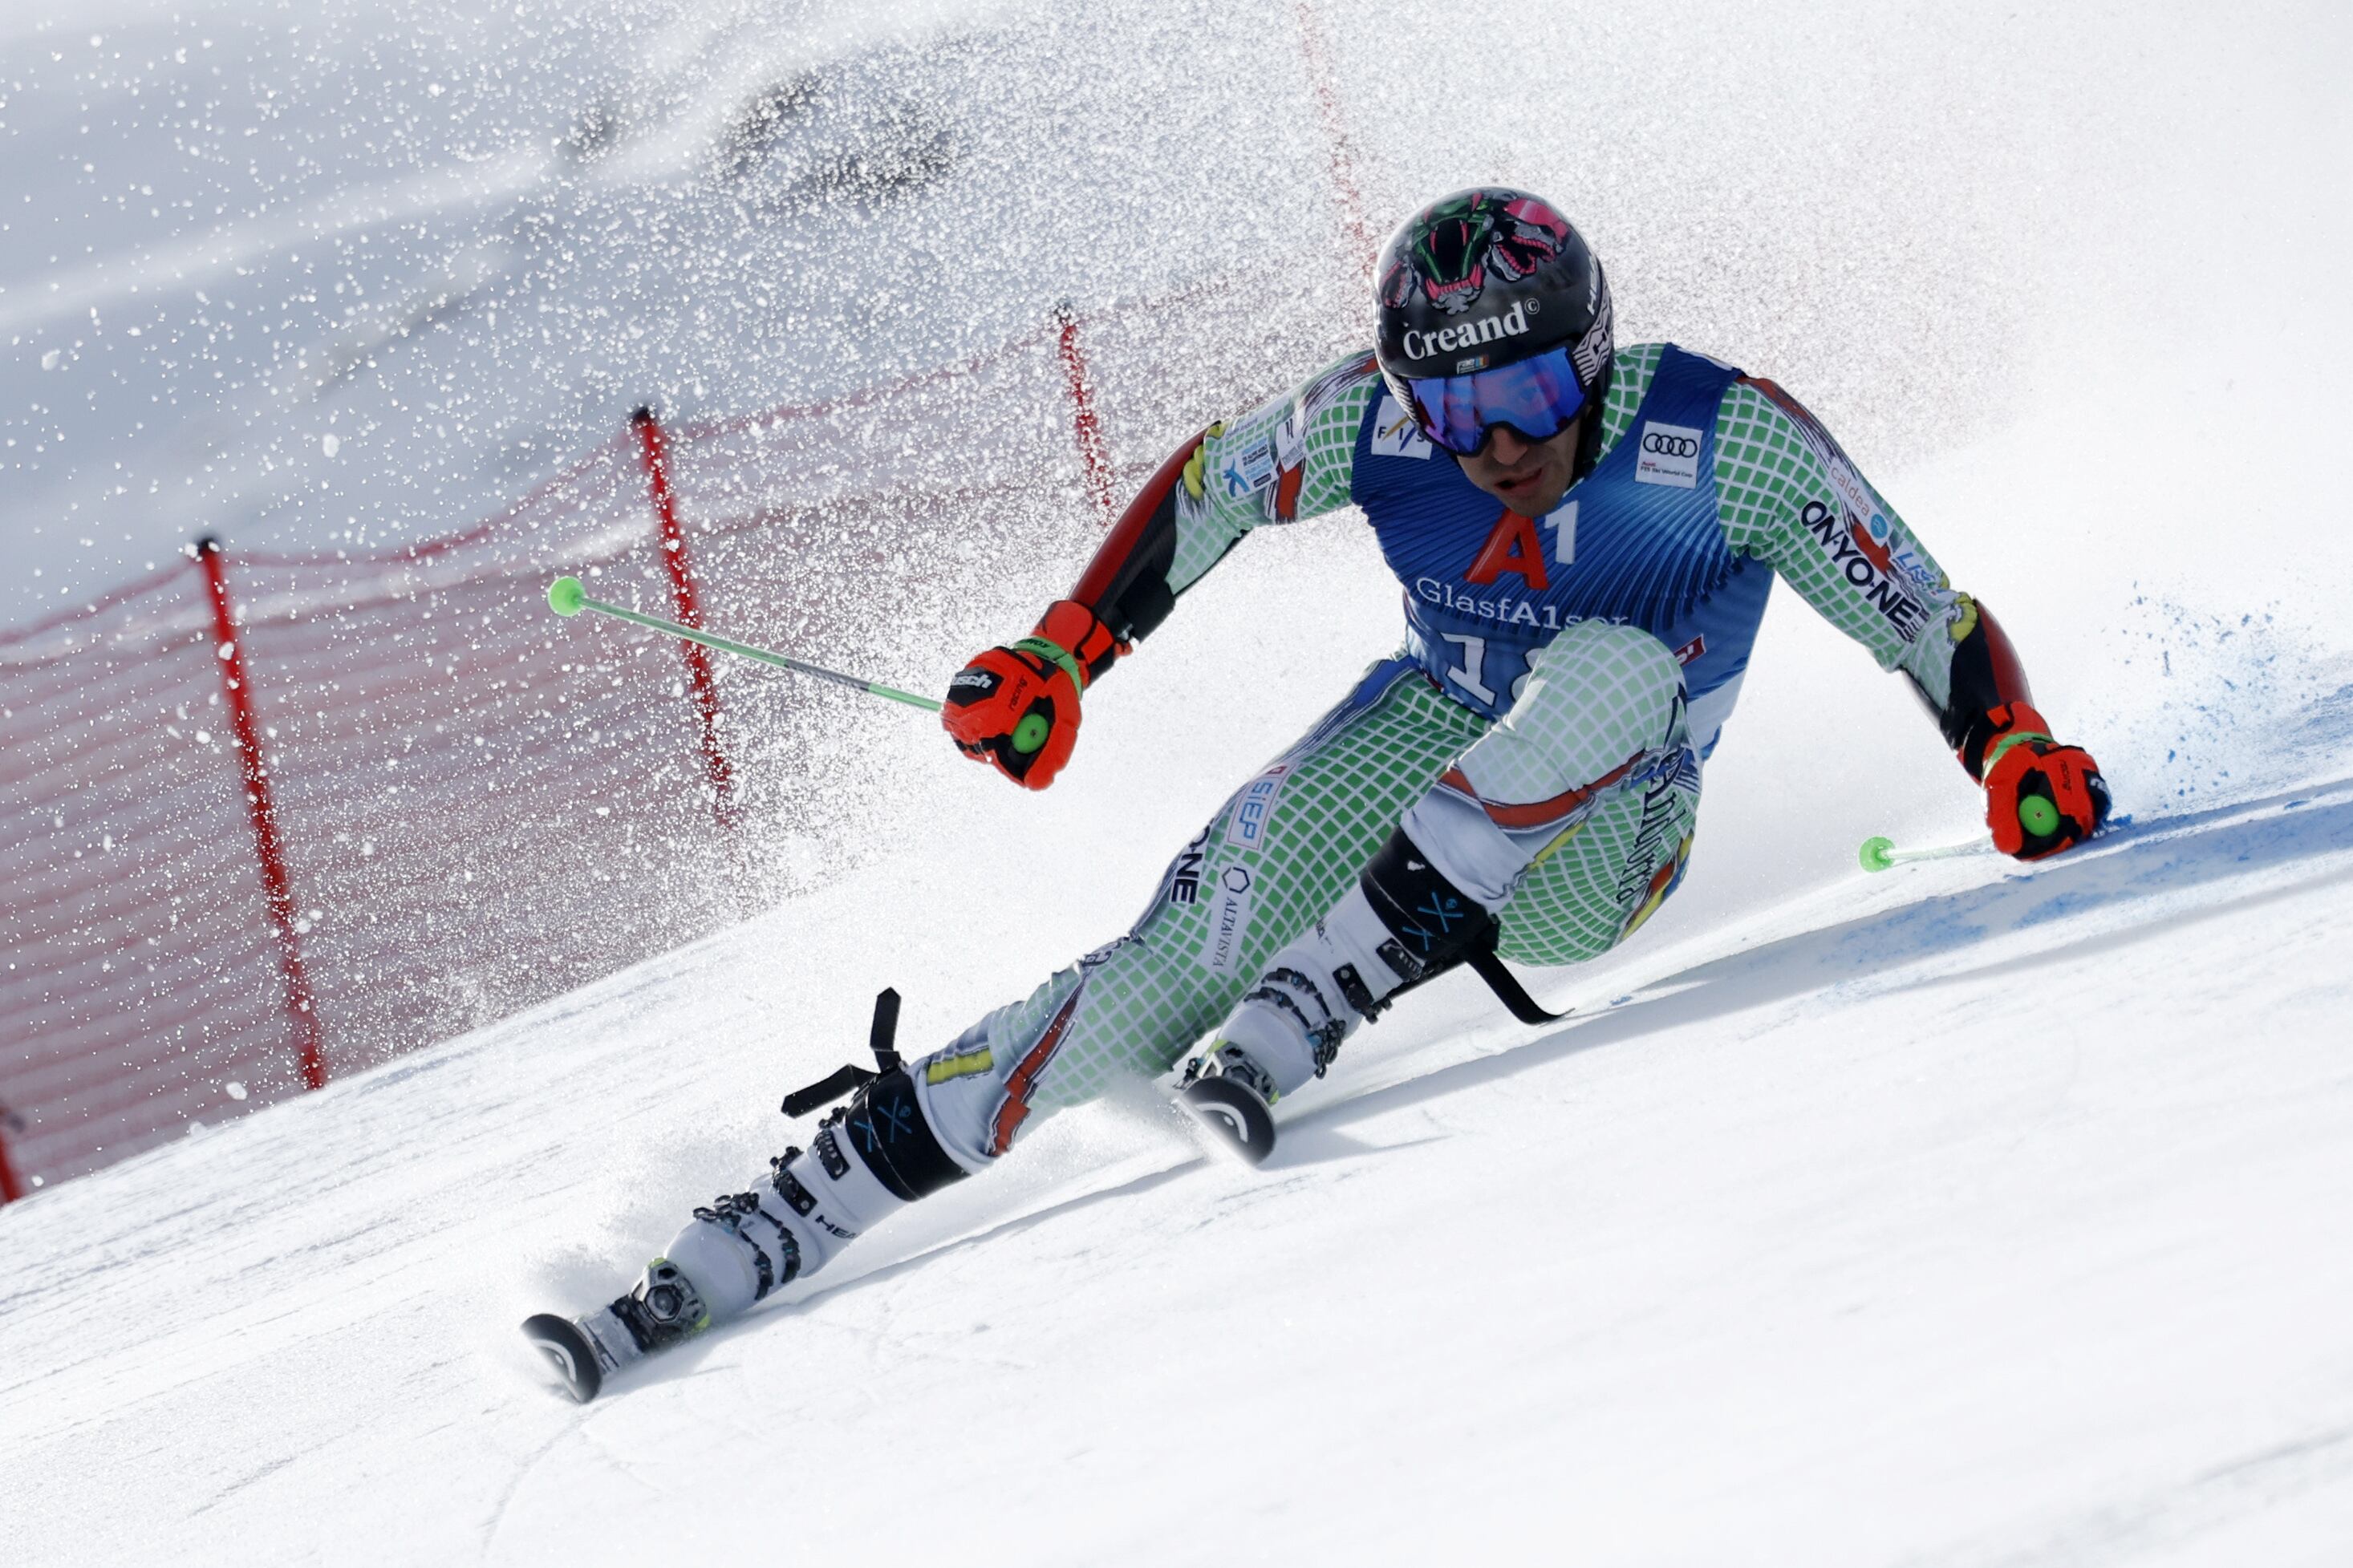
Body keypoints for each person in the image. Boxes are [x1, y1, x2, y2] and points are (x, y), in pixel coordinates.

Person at [564, 187, 2111, 1380]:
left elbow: (1921, 613)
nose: (1488, 447)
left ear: (1588, 357)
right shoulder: (1378, 422)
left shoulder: (1721, 437)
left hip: (1603, 846)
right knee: (1170, 962)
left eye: (1521, 399)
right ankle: (784, 1217)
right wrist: (1063, 654)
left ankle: (1311, 1004)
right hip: (1427, 733)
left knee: (1611, 666)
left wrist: (2008, 748)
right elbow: (1208, 486)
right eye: (1451, 412)